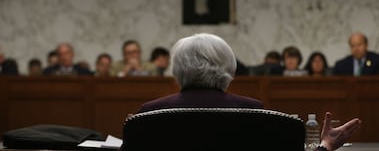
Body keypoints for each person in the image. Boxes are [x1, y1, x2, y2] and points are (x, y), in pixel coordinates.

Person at [133, 33, 361, 150]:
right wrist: (325, 147)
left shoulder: (149, 114)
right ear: (229, 69)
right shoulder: (253, 111)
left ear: (177, 69)